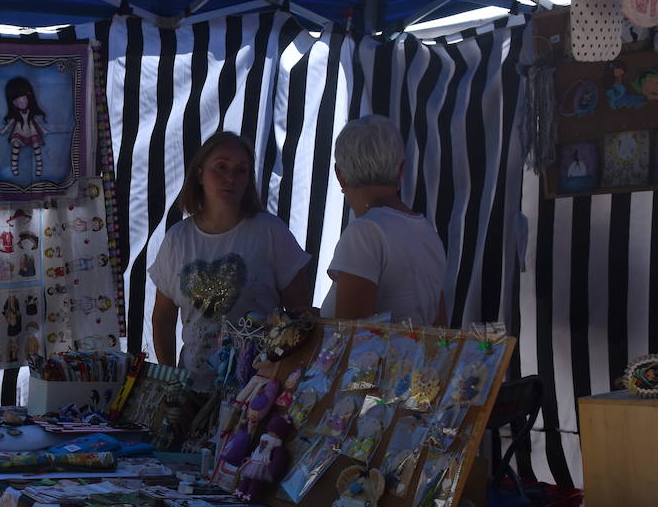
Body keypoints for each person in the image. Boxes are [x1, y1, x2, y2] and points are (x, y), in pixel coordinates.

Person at [149, 130, 311, 387]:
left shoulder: (270, 232)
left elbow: (301, 316)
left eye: (241, 170)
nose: (230, 178)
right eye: (221, 167)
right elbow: (162, 319)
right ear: (200, 173)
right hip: (192, 391)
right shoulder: (178, 239)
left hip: (255, 393)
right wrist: (171, 381)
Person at [321, 115, 448, 326]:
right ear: (401, 170)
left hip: (379, 359)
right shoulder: (427, 233)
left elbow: (350, 340)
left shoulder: (364, 233)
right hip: (419, 359)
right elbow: (440, 331)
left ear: (339, 175)